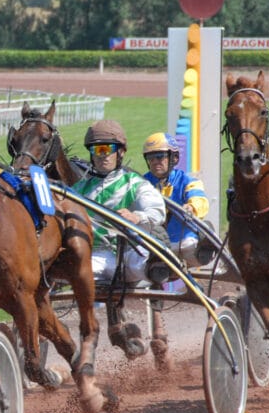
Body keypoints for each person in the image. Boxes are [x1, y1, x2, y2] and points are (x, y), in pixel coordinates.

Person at [71, 119, 167, 361]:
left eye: (108, 149)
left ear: (120, 152)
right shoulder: (78, 189)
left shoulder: (134, 183)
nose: (103, 155)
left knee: (146, 263)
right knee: (75, 272)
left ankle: (160, 266)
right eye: (97, 150)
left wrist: (137, 216)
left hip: (129, 252)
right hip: (99, 256)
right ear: (91, 153)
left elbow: (157, 210)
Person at [142, 132, 210, 267]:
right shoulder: (141, 183)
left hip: (184, 242)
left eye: (160, 156)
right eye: (151, 158)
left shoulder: (188, 181)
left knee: (191, 246)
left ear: (174, 158)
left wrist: (191, 207)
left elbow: (199, 198)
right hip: (155, 245)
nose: (155, 162)